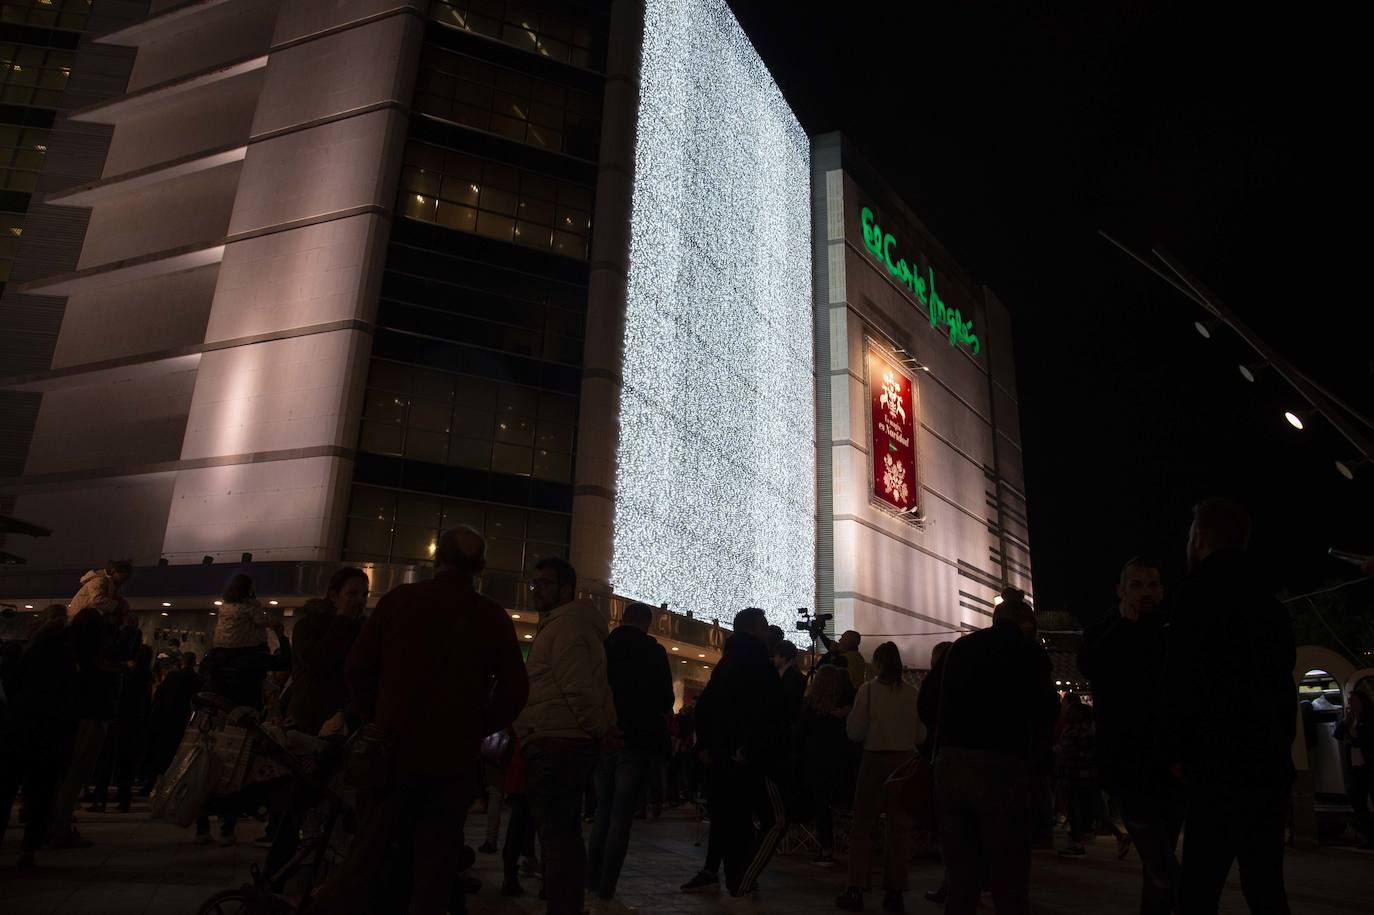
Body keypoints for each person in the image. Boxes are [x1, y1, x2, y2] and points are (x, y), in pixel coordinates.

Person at [318, 526, 528, 915]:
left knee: (369, 853)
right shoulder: (490, 617)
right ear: (479, 567)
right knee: (435, 863)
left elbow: (357, 668)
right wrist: (477, 725)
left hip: (392, 749)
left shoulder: (400, 602)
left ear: (437, 560)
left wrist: (377, 716)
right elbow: (515, 690)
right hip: (452, 758)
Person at [1163, 499, 1296, 915]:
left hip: (1215, 769)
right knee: (1265, 884)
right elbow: (1281, 683)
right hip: (1266, 768)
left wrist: (1176, 750)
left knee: (1199, 889)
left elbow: (1183, 682)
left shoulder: (1194, 596)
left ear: (1200, 538)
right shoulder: (1268, 602)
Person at [934, 588, 1059, 915]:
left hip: (951, 767)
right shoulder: (1029, 653)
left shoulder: (961, 648)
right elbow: (1046, 713)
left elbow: (930, 703)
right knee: (1009, 880)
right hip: (1002, 768)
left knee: (961, 881)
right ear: (1027, 624)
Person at [1078, 556, 1181, 912]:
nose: (1144, 593)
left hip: (1171, 765)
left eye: (1152, 585)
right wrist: (1124, 625)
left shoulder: (1173, 631)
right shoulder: (1102, 632)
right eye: (1135, 585)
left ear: (1163, 591)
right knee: (1162, 861)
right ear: (1120, 590)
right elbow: (1090, 665)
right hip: (1127, 767)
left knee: (1158, 861)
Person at [515, 556, 615, 915]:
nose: (535, 589)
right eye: (534, 583)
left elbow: (579, 690)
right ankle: (567, 903)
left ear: (566, 590)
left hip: (557, 741)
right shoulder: (565, 625)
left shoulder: (566, 627)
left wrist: (597, 729)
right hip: (560, 738)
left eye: (544, 583)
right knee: (564, 836)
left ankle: (563, 907)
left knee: (557, 839)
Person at [695, 607, 788, 912]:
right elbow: (771, 715)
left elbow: (706, 707)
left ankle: (731, 875)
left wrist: (708, 744)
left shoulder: (726, 664)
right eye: (763, 627)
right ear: (752, 630)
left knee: (731, 818)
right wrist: (753, 748)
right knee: (772, 819)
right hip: (750, 757)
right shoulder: (760, 666)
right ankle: (742, 881)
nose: (767, 631)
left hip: (723, 756)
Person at [587, 602, 674, 914]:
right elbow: (666, 698)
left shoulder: (604, 647)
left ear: (622, 619)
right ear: (646, 623)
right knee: (621, 819)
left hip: (605, 736)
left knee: (601, 813)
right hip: (636, 741)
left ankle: (590, 883)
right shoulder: (653, 652)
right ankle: (607, 890)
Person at [49, 559, 133, 849]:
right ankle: (59, 824)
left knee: (65, 771)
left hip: (74, 716)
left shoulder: (65, 653)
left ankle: (53, 821)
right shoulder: (95, 652)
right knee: (76, 769)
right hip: (89, 715)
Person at [835, 641, 920, 913]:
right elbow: (921, 735)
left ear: (878, 664)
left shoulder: (868, 691)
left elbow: (855, 732)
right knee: (900, 830)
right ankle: (895, 892)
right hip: (905, 763)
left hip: (874, 760)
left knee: (863, 827)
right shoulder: (912, 693)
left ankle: (856, 888)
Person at [0, 605, 77, 867]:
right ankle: (29, 847)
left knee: (8, 787)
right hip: (49, 730)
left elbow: (13, 685)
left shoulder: (29, 651)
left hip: (20, 725)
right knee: (41, 791)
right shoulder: (66, 656)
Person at [287, 567, 369, 736]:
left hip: (345, 723)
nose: (360, 600)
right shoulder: (308, 626)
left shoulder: (363, 630)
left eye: (364, 594)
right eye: (352, 593)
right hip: (309, 720)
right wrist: (343, 620)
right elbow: (318, 662)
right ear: (334, 596)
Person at [794, 664, 850, 867]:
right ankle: (829, 846)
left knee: (819, 804)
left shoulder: (810, 706)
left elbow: (800, 734)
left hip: (813, 760)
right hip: (837, 761)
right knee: (827, 805)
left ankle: (823, 845)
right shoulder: (843, 709)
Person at [916, 640, 953, 904]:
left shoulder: (936, 685)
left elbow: (924, 714)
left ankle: (953, 883)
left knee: (951, 824)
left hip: (945, 756)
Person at [142, 651, 201, 788]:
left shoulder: (173, 677)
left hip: (166, 719)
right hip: (182, 722)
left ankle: (151, 782)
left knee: (160, 751)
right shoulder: (197, 680)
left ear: (183, 662)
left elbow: (160, 697)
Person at [1054, 694, 1099, 857]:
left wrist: (1063, 752)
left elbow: (1081, 752)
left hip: (1075, 773)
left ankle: (1077, 841)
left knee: (1075, 807)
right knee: (1080, 807)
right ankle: (1078, 838)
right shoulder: (1087, 729)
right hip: (1079, 774)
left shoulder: (1077, 730)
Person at [1334, 691, 1374, 847]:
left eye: (1353, 700)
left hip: (1368, 765)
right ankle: (1369, 835)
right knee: (1358, 801)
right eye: (1349, 701)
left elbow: (1363, 741)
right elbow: (1337, 734)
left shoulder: (1369, 718)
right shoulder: (1350, 720)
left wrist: (1350, 739)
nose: (1350, 704)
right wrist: (1345, 721)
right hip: (1355, 766)